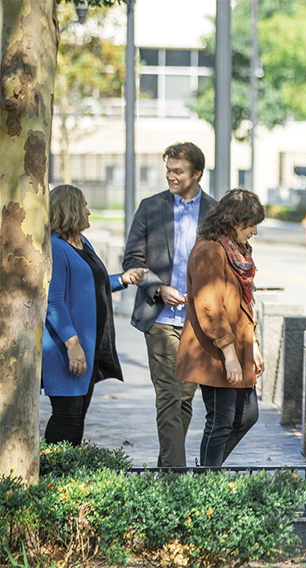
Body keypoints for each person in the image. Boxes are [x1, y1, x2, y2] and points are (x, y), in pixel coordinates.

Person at [122, 142, 218, 467]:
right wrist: (160, 288)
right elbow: (132, 259)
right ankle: (175, 481)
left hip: (197, 322)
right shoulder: (151, 207)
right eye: (168, 170)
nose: (170, 176)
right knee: (168, 395)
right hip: (160, 317)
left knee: (185, 400)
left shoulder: (215, 213)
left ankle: (167, 470)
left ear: (197, 174)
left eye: (177, 171)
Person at [43, 185, 148, 445]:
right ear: (71, 210)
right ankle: (53, 476)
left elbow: (91, 282)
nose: (88, 211)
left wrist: (122, 280)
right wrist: (73, 344)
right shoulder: (56, 248)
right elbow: (53, 302)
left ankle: (69, 477)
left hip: (88, 347)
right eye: (84, 206)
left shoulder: (81, 242)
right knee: (66, 416)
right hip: (66, 348)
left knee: (78, 415)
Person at [175, 188, 266, 467]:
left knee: (247, 415)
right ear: (233, 221)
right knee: (221, 421)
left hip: (237, 348)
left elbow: (242, 305)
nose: (254, 231)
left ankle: (206, 472)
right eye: (250, 224)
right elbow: (210, 307)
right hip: (215, 352)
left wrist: (254, 347)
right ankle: (206, 485)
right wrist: (229, 355)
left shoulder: (233, 250)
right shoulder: (210, 250)